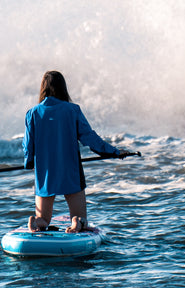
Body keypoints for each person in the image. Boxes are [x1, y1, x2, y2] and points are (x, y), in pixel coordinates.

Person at [23, 71, 128, 233]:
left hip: (45, 173)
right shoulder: (72, 110)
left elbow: (28, 145)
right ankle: (77, 223)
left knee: (44, 218)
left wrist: (29, 162)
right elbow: (90, 138)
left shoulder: (33, 113)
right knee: (80, 217)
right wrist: (113, 152)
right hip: (70, 171)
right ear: (63, 88)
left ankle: (36, 222)